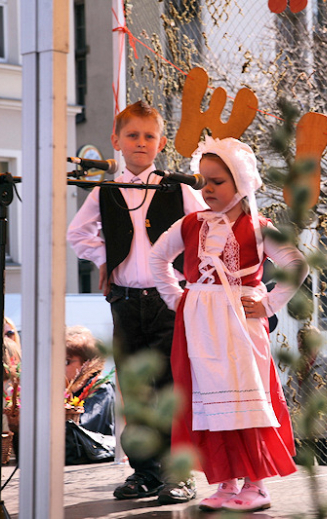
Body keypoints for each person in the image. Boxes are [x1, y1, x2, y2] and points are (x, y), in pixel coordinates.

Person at [150, 136, 308, 513]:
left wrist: (268, 303)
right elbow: (157, 259)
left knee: (247, 400)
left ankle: (257, 484)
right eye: (202, 181)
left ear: (240, 182)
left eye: (216, 181)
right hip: (200, 328)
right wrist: (179, 299)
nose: (206, 189)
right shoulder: (190, 224)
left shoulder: (259, 226)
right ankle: (226, 482)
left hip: (240, 325)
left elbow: (296, 264)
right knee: (207, 402)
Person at [66, 100, 207, 504]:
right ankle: (145, 472)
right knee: (136, 390)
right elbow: (78, 235)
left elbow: (201, 230)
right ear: (117, 141)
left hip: (168, 301)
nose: (141, 143)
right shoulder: (106, 190)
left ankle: (179, 474)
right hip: (126, 301)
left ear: (160, 142)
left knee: (170, 387)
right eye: (132, 135)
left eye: (149, 136)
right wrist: (107, 258)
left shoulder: (177, 187)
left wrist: (189, 274)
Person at [284, 325, 327, 467]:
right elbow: (288, 397)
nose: (301, 345)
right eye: (299, 341)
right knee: (300, 476)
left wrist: (326, 422)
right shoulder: (294, 367)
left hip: (324, 434)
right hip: (299, 434)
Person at [65, 325, 115, 436]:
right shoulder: (65, 390)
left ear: (86, 363)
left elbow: (83, 429)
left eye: (66, 362)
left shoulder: (100, 388)